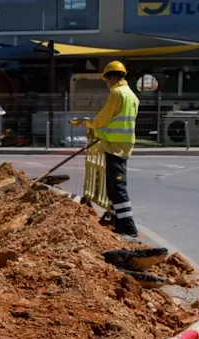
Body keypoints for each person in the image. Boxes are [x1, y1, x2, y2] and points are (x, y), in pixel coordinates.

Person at [87, 61, 141, 239]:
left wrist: (89, 124)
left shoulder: (117, 93)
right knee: (112, 186)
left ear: (111, 77)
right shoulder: (132, 95)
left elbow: (103, 118)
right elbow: (117, 121)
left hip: (115, 146)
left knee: (117, 188)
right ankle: (117, 223)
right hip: (120, 145)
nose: (107, 83)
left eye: (107, 79)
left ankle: (128, 228)